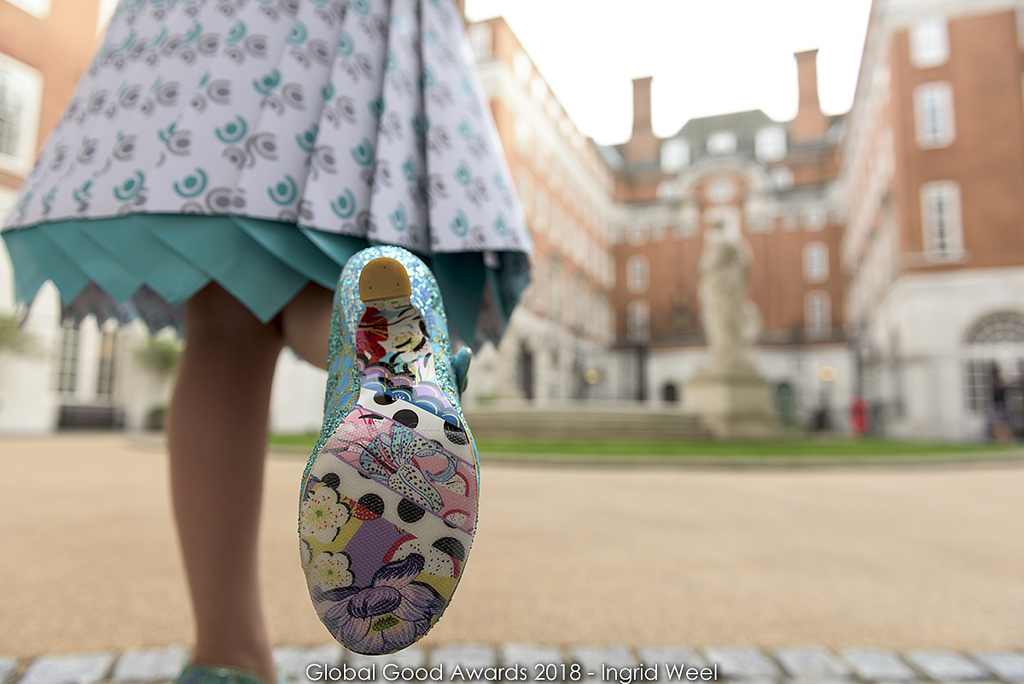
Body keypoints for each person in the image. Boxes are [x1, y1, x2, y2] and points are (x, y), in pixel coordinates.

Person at [2, 1, 530, 681]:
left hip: (204, 35)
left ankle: (226, 658)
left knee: (221, 326)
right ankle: (383, 349)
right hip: (343, 35)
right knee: (315, 278)